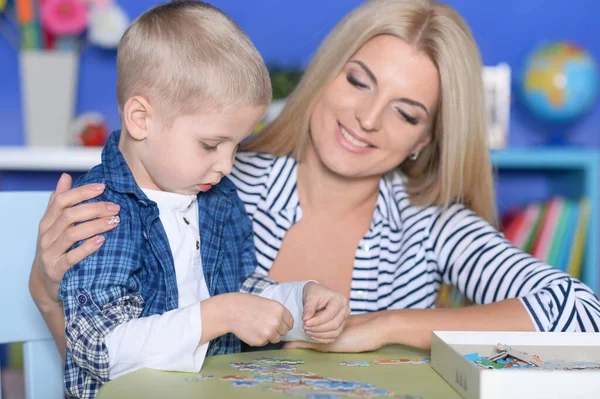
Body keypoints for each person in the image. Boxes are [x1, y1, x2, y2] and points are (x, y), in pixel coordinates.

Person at [30, 0, 600, 363]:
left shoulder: (434, 226)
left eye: (407, 113)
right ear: (325, 76)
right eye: (358, 81)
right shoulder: (212, 184)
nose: (368, 118)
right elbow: (108, 368)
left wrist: (381, 327)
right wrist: (47, 295)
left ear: (424, 140)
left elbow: (579, 313)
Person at [51, 2, 349, 398]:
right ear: (141, 120)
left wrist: (301, 304)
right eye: (211, 145)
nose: (227, 165)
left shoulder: (217, 197)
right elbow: (100, 348)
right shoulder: (101, 210)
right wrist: (219, 314)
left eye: (235, 146)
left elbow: (241, 289)